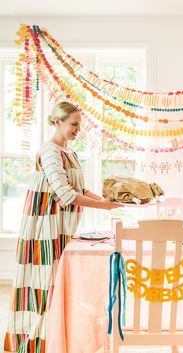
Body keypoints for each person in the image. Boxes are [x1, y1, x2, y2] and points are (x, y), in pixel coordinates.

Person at [4, 101, 122, 353]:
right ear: (57, 122)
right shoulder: (50, 152)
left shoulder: (69, 152)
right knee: (43, 283)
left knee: (56, 284)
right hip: (44, 228)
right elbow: (65, 195)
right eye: (73, 125)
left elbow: (79, 189)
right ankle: (35, 343)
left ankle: (55, 339)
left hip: (60, 227)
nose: (77, 130)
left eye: (79, 126)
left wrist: (106, 200)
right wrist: (104, 207)